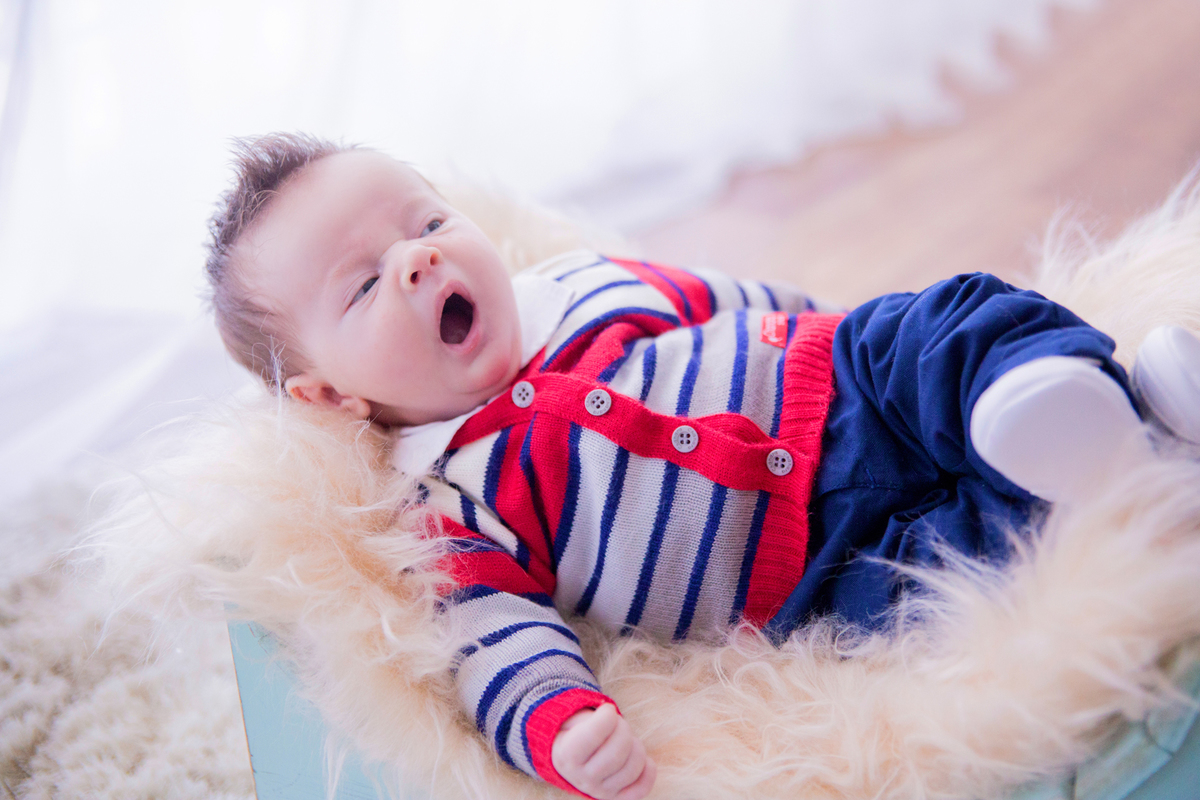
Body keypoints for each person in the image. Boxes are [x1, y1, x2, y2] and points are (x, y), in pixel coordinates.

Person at [204, 133, 1200, 800]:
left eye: (425, 223)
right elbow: (488, 635)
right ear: (330, 396)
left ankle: (1085, 396)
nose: (418, 259)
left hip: (839, 374)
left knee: (952, 323)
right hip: (807, 563)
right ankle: (1129, 456)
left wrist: (813, 314)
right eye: (367, 281)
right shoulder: (451, 502)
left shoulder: (576, 287)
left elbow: (717, 295)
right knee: (943, 573)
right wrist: (559, 720)